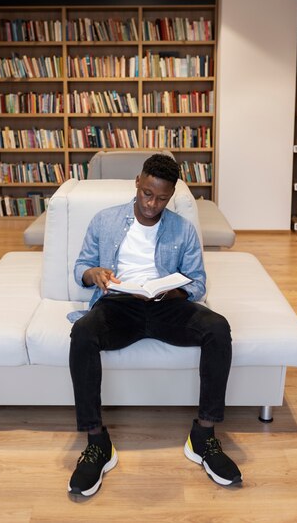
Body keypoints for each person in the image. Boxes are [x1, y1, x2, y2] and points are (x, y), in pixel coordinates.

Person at [68, 153, 241, 497]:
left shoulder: (183, 228)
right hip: (118, 305)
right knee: (83, 333)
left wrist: (172, 286)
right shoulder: (105, 220)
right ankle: (96, 442)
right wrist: (95, 274)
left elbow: (198, 283)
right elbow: (81, 268)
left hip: (167, 306)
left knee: (218, 328)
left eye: (162, 198)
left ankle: (204, 437)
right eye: (148, 193)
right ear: (138, 182)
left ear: (171, 195)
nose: (152, 204)